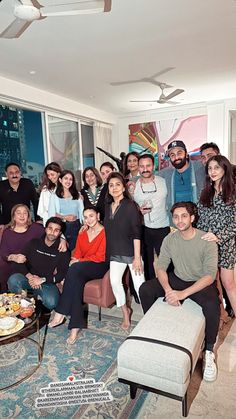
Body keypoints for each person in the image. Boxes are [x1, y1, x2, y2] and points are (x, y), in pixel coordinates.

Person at [139, 201, 220, 382]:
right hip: (177, 278)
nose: (180, 220)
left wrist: (182, 294)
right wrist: (169, 290)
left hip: (200, 282)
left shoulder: (206, 240)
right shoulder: (169, 239)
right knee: (145, 289)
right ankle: (154, 330)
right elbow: (161, 267)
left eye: (184, 216)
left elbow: (210, 276)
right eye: (176, 217)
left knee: (212, 304)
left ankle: (208, 351)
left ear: (192, 218)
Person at [48, 207, 109, 344]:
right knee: (76, 281)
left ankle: (60, 312)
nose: (88, 220)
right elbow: (77, 253)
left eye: (91, 216)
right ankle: (75, 326)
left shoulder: (105, 232)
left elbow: (100, 256)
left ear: (98, 216)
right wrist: (75, 262)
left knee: (75, 269)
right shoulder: (82, 233)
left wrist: (78, 261)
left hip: (100, 266)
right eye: (85, 217)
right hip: (82, 268)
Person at [104, 172, 145, 330]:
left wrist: (136, 258)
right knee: (115, 282)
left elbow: (136, 232)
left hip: (132, 253)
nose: (114, 188)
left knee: (140, 287)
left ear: (123, 187)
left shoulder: (130, 205)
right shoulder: (108, 206)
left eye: (117, 185)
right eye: (111, 185)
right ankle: (125, 312)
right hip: (115, 252)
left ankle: (148, 316)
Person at [197, 155, 236, 319]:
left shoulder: (233, 192)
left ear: (224, 169)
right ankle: (220, 316)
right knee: (213, 284)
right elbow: (200, 219)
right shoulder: (204, 192)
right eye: (210, 168)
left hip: (226, 244)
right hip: (207, 245)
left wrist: (218, 236)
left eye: (216, 168)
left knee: (229, 284)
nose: (212, 172)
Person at [7, 217, 70, 310]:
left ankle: (35, 299)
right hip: (28, 278)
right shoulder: (34, 243)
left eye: (56, 230)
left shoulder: (63, 250)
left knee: (52, 302)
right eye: (50, 228)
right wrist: (30, 276)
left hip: (46, 282)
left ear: (60, 233)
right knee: (13, 280)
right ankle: (26, 303)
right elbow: (19, 262)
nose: (52, 232)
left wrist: (41, 280)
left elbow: (61, 274)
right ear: (45, 229)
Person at [133, 154, 170, 281]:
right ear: (138, 167)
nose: (145, 169)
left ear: (153, 166)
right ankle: (150, 289)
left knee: (167, 261)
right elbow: (128, 207)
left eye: (148, 165)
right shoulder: (133, 185)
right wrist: (138, 211)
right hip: (143, 228)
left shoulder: (163, 181)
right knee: (146, 260)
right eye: (142, 166)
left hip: (163, 226)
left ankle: (170, 288)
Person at [0, 204, 44, 292]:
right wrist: (14, 257)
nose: (22, 215)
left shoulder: (36, 228)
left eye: (25, 213)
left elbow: (51, 235)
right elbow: (3, 252)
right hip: (14, 266)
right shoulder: (7, 232)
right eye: (18, 213)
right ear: (14, 217)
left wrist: (62, 240)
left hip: (32, 266)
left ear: (28, 216)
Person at [159, 140, 205, 217]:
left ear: (186, 154)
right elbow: (148, 175)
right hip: (177, 222)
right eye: (172, 155)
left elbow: (225, 168)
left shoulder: (200, 167)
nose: (176, 157)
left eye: (179, 153)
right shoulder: (167, 173)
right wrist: (132, 181)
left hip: (199, 219)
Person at [48, 170, 83, 251]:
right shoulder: (54, 196)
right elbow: (51, 215)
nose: (68, 181)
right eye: (66, 178)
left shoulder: (77, 195)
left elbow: (82, 212)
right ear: (60, 180)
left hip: (76, 227)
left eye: (71, 179)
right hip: (62, 227)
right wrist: (64, 217)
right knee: (63, 251)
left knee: (76, 251)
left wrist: (84, 225)